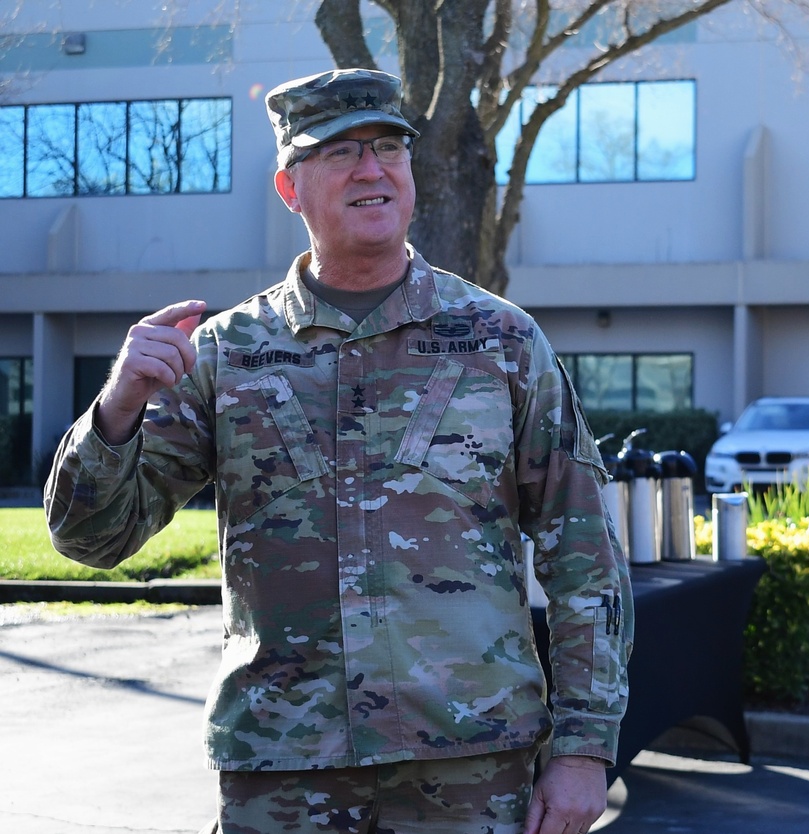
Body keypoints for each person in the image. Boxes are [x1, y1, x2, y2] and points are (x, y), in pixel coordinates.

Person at [45, 67, 633, 834]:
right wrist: (117, 408)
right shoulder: (226, 353)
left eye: (388, 147)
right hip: (282, 769)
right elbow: (92, 539)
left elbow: (584, 551)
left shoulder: (500, 340)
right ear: (291, 188)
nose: (370, 169)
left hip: (468, 764)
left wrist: (584, 749)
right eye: (339, 152)